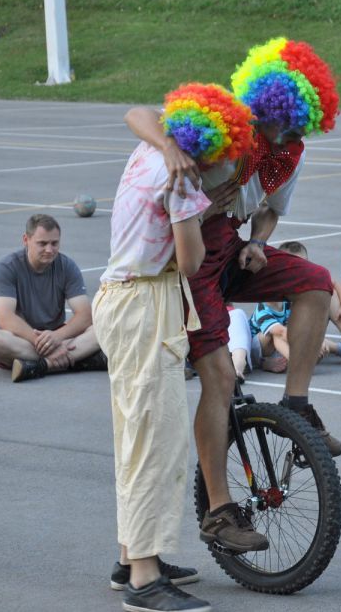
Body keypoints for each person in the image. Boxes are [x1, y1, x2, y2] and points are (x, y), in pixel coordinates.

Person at [124, 38, 341, 554]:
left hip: (234, 245)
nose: (291, 135)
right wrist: (170, 148)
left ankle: (298, 405)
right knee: (221, 377)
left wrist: (260, 244)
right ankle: (220, 510)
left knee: (314, 280)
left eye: (300, 127)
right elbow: (138, 114)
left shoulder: (289, 152)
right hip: (193, 252)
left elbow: (269, 209)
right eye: (285, 124)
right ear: (266, 106)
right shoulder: (224, 124)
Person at [93, 83, 255, 612]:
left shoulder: (154, 147)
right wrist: (206, 212)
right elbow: (189, 262)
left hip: (120, 297)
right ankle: (144, 579)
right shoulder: (184, 181)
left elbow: (135, 109)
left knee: (134, 434)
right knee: (156, 442)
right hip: (147, 303)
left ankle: (131, 558)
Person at [0, 214, 106, 383]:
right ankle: (76, 361)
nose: (49, 249)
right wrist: (45, 346)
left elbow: (85, 315)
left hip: (58, 336)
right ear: (26, 239)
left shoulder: (67, 266)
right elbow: (6, 318)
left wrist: (56, 337)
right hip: (22, 340)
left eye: (54, 243)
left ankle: (42, 366)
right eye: (42, 243)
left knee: (104, 328)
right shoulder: (7, 267)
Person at [250, 241, 341, 367]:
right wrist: (313, 341)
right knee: (277, 334)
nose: (301, 268)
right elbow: (282, 332)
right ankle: (301, 362)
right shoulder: (263, 309)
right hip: (264, 347)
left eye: (304, 263)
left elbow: (332, 284)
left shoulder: (300, 283)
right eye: (296, 265)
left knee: (328, 292)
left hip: (287, 336)